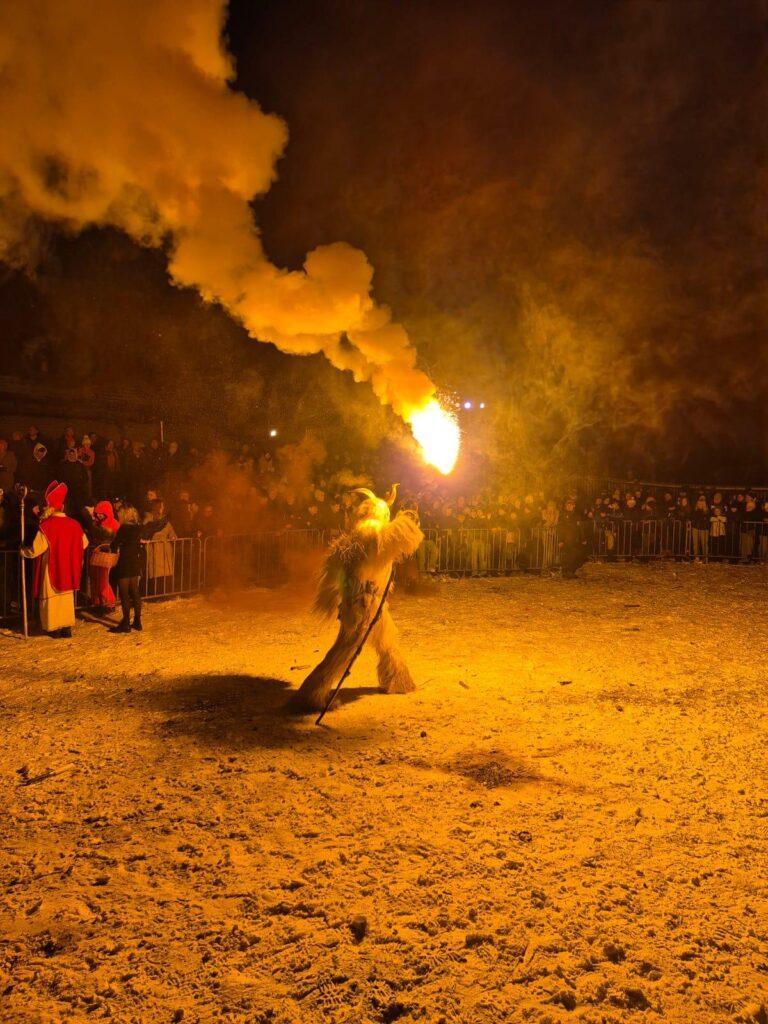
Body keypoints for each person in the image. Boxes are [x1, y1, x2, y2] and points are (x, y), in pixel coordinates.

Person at [292, 487, 423, 713]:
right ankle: (312, 692)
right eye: (385, 513)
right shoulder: (371, 532)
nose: (387, 516)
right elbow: (401, 540)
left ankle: (398, 680)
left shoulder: (362, 531)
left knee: (386, 641)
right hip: (363, 602)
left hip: (368, 600)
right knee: (345, 648)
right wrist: (409, 517)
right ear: (378, 513)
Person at [20, 480, 88, 638]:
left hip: (50, 568)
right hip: (68, 568)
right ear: (62, 506)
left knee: (52, 599)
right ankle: (66, 628)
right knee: (65, 599)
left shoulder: (47, 526)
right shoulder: (75, 524)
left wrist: (24, 551)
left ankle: (54, 628)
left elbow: (37, 549)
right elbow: (85, 543)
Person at [87, 500, 119, 614]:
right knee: (96, 580)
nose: (98, 515)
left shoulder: (113, 524)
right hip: (98, 555)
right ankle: (99, 603)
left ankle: (109, 603)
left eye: (100, 513)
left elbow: (113, 540)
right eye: (97, 513)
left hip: (106, 556)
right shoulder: (99, 523)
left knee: (103, 582)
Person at [690, 495, 709, 562]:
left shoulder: (706, 511)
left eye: (702, 503)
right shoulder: (695, 511)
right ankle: (696, 556)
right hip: (696, 528)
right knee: (695, 543)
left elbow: (706, 518)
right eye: (699, 503)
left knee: (704, 543)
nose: (700, 505)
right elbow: (693, 518)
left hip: (704, 528)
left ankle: (705, 557)